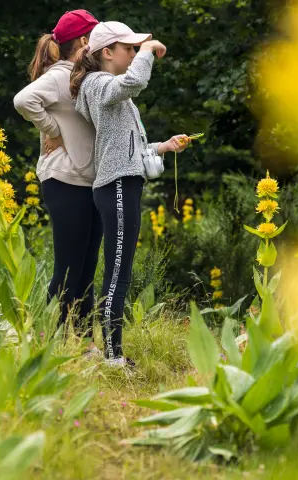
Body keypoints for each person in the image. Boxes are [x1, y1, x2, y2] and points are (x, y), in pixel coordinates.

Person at [70, 21, 190, 367]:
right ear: (107, 53)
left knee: (118, 269)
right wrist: (150, 50)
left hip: (123, 184)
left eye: (137, 49)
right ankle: (112, 357)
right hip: (117, 187)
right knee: (118, 271)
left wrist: (163, 147)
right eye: (130, 49)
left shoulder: (109, 91)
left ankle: (113, 352)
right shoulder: (98, 85)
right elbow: (135, 81)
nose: (135, 54)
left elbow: (127, 146)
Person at [13, 10, 102, 353]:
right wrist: (55, 131)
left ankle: (81, 342)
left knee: (86, 266)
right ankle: (52, 343)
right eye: (95, 37)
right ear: (83, 42)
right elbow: (23, 100)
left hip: (88, 180)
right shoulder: (59, 75)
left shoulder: (86, 77)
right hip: (64, 180)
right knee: (69, 266)